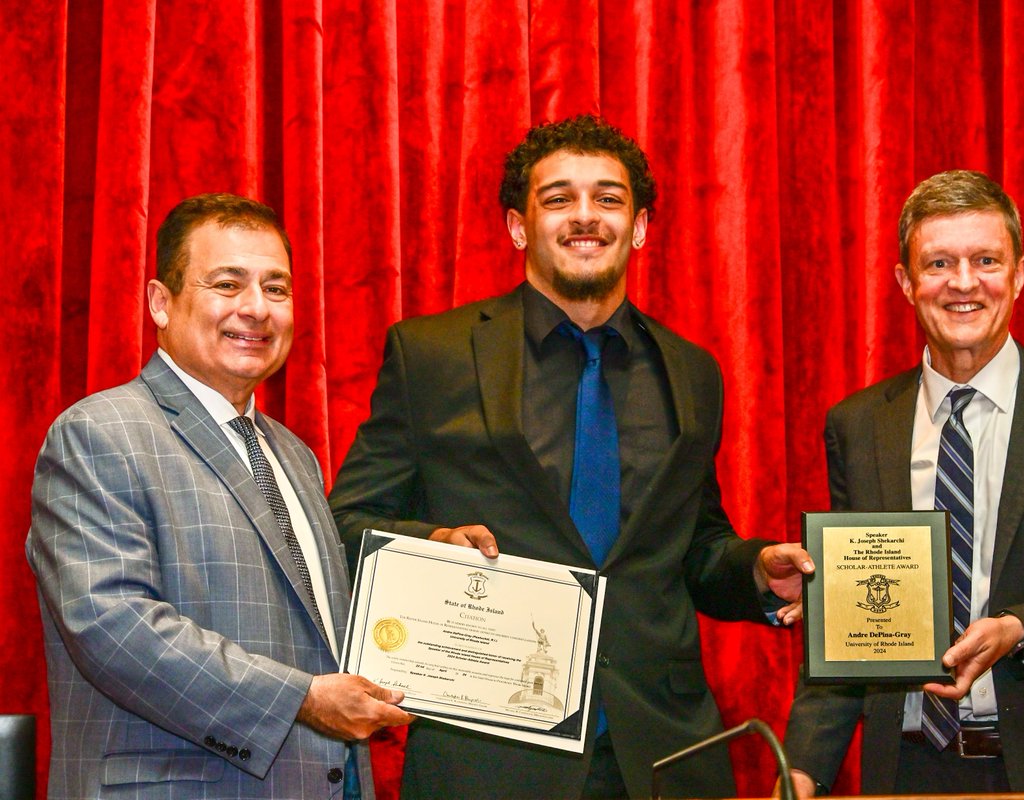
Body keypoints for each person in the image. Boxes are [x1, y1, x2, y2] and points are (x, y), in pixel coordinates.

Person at [328, 114, 813, 799]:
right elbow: (344, 525)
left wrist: (757, 571)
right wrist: (432, 543)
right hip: (489, 760)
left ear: (639, 226)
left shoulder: (692, 370)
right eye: (558, 198)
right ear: (518, 226)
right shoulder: (431, 354)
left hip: (663, 756)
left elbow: (695, 547)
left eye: (608, 199)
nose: (585, 217)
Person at [782, 170, 1024, 795]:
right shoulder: (857, 425)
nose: (963, 283)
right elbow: (847, 619)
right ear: (907, 283)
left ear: (1018, 273)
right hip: (907, 769)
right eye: (938, 263)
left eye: (985, 260)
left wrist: (1020, 627)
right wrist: (801, 769)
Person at [27, 194, 413, 799]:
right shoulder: (99, 433)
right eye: (227, 284)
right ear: (161, 302)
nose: (256, 309)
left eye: (277, 289)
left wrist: (438, 557)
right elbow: (114, 628)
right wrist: (302, 701)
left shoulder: (294, 455)